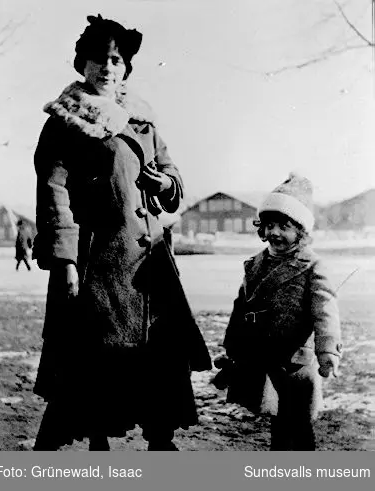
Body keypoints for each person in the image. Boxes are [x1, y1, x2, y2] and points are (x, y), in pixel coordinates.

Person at [32, 14, 211, 451]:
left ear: (126, 67)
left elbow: (171, 172)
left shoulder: (141, 120)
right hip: (98, 263)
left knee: (160, 355)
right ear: (82, 64)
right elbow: (54, 191)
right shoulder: (65, 122)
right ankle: (99, 447)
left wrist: (164, 184)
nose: (108, 67)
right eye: (98, 58)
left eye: (116, 59)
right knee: (96, 360)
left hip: (148, 264)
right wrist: (66, 261)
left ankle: (159, 439)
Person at [215, 173, 342, 450]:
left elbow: (325, 312)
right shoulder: (255, 265)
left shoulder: (312, 266)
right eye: (269, 225)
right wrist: (232, 347)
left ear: (301, 232)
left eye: (284, 226)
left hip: (297, 361)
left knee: (300, 424)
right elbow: (241, 309)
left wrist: (328, 351)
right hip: (265, 358)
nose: (275, 233)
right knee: (278, 423)